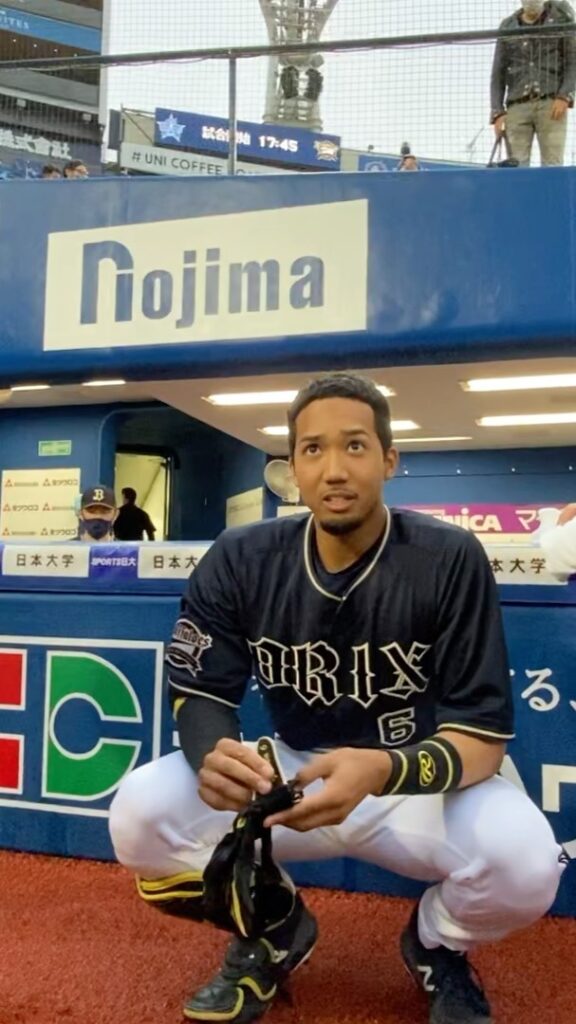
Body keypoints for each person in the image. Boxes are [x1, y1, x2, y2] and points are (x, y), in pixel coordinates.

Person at [109, 373, 564, 1024]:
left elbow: (481, 741)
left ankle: (436, 943)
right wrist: (213, 752)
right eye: (313, 449)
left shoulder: (448, 557)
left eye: (354, 445)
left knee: (526, 863)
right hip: (295, 773)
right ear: (291, 467)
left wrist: (382, 769)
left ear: (389, 459)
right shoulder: (241, 557)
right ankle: (276, 926)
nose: (334, 469)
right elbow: (200, 687)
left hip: (414, 781)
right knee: (139, 814)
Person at [490, 0, 576, 166]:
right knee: (516, 166)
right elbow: (498, 73)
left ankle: (551, 186)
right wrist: (497, 112)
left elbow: (572, 62)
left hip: (551, 102)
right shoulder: (508, 26)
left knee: (552, 164)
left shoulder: (560, 20)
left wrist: (565, 95)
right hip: (516, 104)